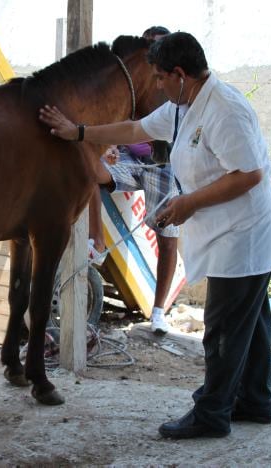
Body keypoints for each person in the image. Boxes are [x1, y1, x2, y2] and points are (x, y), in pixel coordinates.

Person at [39, 32, 271, 439]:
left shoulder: (224, 109)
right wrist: (79, 132)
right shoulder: (181, 106)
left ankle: (211, 413)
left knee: (224, 330)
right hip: (229, 233)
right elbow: (135, 128)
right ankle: (257, 402)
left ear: (180, 74)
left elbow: (250, 174)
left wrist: (189, 203)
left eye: (158, 77)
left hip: (244, 236)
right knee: (253, 324)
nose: (154, 85)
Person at [87, 26, 177, 336]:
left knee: (168, 233)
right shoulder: (132, 82)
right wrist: (110, 147)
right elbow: (118, 124)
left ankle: (159, 311)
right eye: (149, 48)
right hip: (128, 158)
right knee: (88, 165)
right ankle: (95, 240)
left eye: (158, 48)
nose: (153, 56)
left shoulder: (172, 88)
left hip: (162, 165)